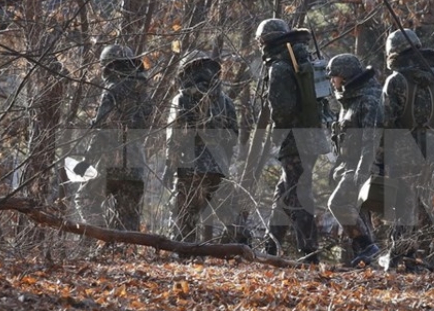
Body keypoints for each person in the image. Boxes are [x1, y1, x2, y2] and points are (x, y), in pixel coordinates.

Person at [376, 28, 434, 255]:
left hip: (402, 153)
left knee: (403, 206)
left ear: (393, 51)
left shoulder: (395, 82)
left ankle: (400, 256)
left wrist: (380, 160)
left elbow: (385, 125)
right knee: (432, 207)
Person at [255, 18, 329, 264]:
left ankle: (309, 254)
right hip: (313, 136)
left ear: (266, 41)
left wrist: (278, 128)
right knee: (285, 191)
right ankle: (270, 247)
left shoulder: (279, 66)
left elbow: (283, 109)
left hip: (295, 139)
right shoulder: (300, 60)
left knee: (298, 193)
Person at [73, 44, 152, 231]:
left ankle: (101, 240)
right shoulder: (144, 95)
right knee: (129, 216)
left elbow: (102, 130)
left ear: (109, 66)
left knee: (85, 199)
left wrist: (86, 162)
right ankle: (127, 252)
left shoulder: (112, 89)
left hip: (110, 161)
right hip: (136, 163)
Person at [163, 51, 239, 243]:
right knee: (231, 218)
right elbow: (233, 136)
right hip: (219, 168)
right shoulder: (225, 101)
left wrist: (169, 166)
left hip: (190, 167)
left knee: (185, 217)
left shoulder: (181, 99)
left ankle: (185, 260)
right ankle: (239, 253)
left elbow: (175, 136)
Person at [326, 53, 383, 267]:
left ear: (346, 75)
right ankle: (369, 260)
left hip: (371, 166)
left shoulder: (369, 99)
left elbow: (371, 138)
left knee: (338, 203)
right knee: (359, 214)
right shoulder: (349, 100)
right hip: (351, 165)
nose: (332, 81)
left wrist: (363, 170)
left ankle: (368, 247)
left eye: (335, 76)